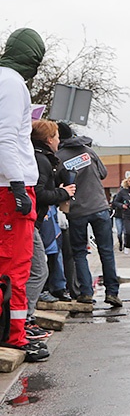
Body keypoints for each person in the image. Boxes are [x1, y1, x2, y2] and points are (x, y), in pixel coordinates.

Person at [0, 28, 49, 362]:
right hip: (10, 187)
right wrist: (18, 185)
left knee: (13, 265)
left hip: (8, 185)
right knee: (16, 266)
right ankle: (14, 337)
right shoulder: (13, 83)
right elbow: (5, 137)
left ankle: (10, 331)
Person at [55, 125, 122, 308]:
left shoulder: (58, 158)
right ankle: (112, 293)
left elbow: (56, 186)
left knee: (79, 252)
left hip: (76, 212)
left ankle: (86, 293)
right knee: (106, 252)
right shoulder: (88, 151)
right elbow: (103, 173)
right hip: (99, 207)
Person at [27, 120, 74, 342]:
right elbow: (38, 194)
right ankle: (23, 321)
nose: (59, 140)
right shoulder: (41, 161)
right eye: (56, 136)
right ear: (48, 139)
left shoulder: (44, 159)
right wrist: (62, 193)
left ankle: (23, 319)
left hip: (32, 222)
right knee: (38, 271)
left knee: (35, 270)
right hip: (29, 223)